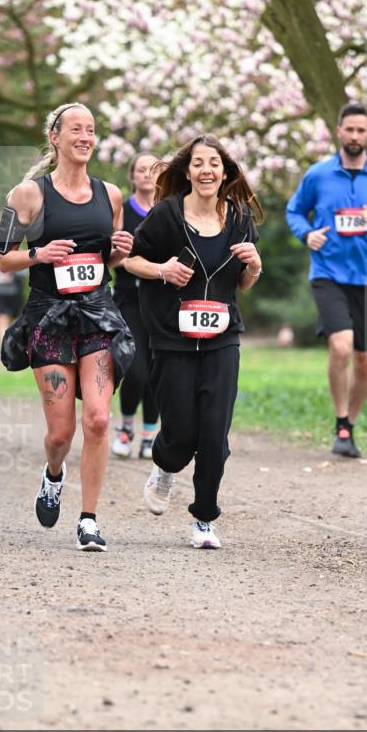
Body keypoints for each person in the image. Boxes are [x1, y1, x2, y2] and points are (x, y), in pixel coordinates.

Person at [0, 102, 135, 552]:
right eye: (76, 129)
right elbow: (1, 257)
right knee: (61, 433)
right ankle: (53, 474)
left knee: (97, 418)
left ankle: (89, 519)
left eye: (91, 130)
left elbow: (109, 258)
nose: (85, 137)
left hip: (96, 314)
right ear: (54, 137)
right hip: (49, 318)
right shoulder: (27, 194)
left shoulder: (110, 194)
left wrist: (118, 251)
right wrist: (38, 254)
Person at [126, 133, 263, 550]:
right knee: (181, 433)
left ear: (225, 172)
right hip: (172, 337)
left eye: (215, 163)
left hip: (223, 338)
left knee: (214, 433)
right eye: (199, 163)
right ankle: (165, 467)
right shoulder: (167, 215)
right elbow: (130, 259)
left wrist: (255, 266)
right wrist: (163, 270)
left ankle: (204, 518)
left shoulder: (239, 218)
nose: (207, 170)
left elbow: (244, 281)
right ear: (188, 172)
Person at [286, 102, 367, 457]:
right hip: (328, 273)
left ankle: (348, 427)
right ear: (339, 131)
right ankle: (340, 418)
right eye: (350, 129)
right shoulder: (319, 174)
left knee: (365, 360)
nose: (355, 135)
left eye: (361, 130)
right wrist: (306, 234)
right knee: (341, 346)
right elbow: (294, 211)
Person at [111, 153, 159, 460]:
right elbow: (114, 253)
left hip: (164, 301)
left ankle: (149, 434)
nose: (146, 175)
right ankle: (126, 427)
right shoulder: (122, 211)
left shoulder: (169, 210)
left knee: (158, 368)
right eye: (140, 170)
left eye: (152, 170)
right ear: (132, 176)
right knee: (137, 369)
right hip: (129, 298)